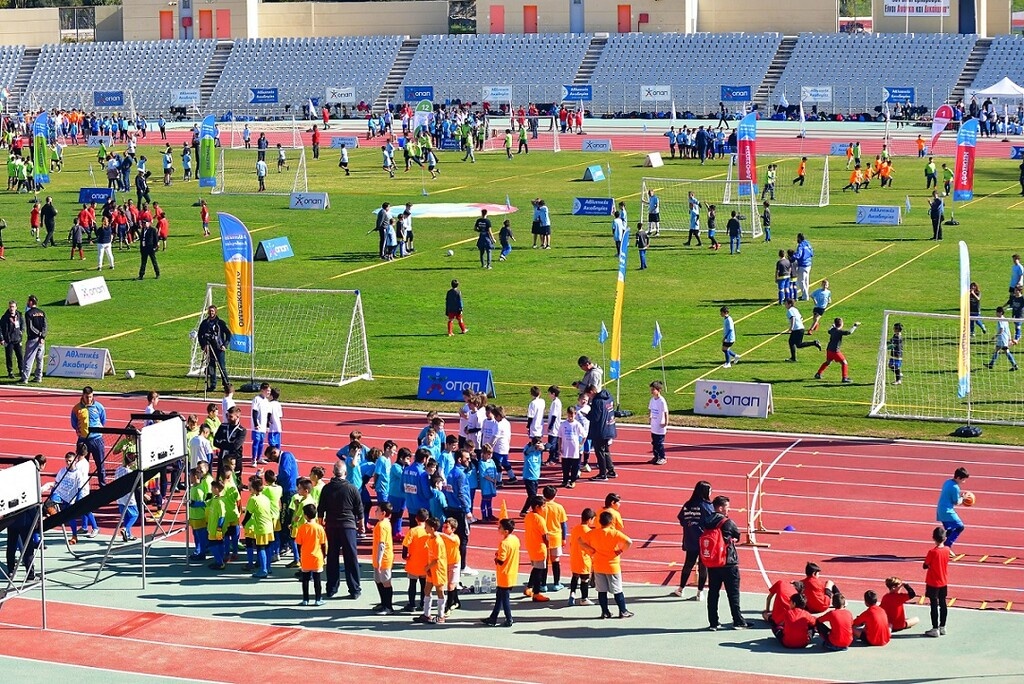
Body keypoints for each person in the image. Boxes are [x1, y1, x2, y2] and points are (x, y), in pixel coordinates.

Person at [318, 460, 364, 599]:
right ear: (345, 472)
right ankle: (354, 589)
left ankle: (331, 588)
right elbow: (359, 509)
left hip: (331, 526)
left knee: (332, 557)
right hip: (348, 526)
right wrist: (361, 525)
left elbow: (321, 509)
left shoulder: (327, 488)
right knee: (351, 558)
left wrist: (321, 524)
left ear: (333, 472)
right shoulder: (352, 488)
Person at [703, 494, 748, 630]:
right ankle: (738, 620)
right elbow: (737, 535)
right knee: (733, 593)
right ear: (721, 508)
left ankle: (713, 622)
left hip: (713, 562)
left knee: (713, 593)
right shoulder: (727, 522)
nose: (729, 509)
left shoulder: (707, 521)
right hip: (728, 562)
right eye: (727, 507)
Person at [578, 510, 634, 619]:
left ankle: (605, 612)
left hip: (598, 565)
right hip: (612, 566)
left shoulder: (593, 533)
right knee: (617, 590)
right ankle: (623, 611)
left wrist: (591, 550)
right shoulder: (614, 533)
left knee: (601, 591)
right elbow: (629, 541)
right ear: (611, 522)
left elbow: (580, 541)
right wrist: (620, 550)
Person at [675, 480, 713, 600]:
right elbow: (712, 521)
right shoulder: (707, 506)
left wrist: (690, 526)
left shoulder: (688, 504)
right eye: (710, 490)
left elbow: (681, 519)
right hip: (704, 541)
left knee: (688, 564)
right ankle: (700, 592)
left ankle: (681, 589)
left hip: (690, 539)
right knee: (703, 566)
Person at [481, 518, 519, 627]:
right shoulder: (515, 539)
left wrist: (496, 557)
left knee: (505, 598)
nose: (498, 529)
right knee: (499, 596)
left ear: (506, 531)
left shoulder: (504, 543)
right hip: (511, 572)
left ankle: (509, 618)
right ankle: (493, 617)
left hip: (504, 574)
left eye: (500, 527)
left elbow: (501, 560)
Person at [71, 386, 108, 486]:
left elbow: (103, 420)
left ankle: (103, 486)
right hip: (83, 440)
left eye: (91, 397)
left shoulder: (99, 407)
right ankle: (81, 486)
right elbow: (74, 424)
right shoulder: (76, 408)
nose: (89, 399)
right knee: (81, 465)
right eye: (87, 397)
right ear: (82, 396)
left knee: (100, 465)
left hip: (97, 440)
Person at [294, 503, 327, 606]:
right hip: (317, 557)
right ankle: (318, 599)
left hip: (305, 557)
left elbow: (298, 544)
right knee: (317, 579)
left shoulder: (302, 528)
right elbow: (323, 544)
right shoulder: (319, 528)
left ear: (305, 515)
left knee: (305, 579)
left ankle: (305, 599)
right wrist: (324, 555)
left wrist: (300, 555)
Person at [923, 526, 953, 637]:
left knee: (934, 605)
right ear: (945, 538)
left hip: (933, 582)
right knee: (943, 604)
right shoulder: (947, 550)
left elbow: (925, 565)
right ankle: (943, 626)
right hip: (943, 581)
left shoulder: (932, 552)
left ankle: (935, 628)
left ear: (933, 538)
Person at [585, 383, 617, 480]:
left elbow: (596, 417)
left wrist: (587, 415)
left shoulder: (597, 401)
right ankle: (611, 470)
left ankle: (602, 474)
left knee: (599, 451)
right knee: (605, 450)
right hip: (609, 427)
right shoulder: (608, 397)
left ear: (591, 392)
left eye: (589, 395)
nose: (589, 397)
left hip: (600, 430)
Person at [197, 305, 231, 392]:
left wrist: (225, 345)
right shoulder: (204, 323)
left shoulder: (220, 323)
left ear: (215, 312)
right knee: (211, 367)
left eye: (212, 311)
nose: (211, 313)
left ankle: (226, 385)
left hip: (219, 348)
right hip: (209, 348)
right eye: (210, 311)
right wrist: (203, 345)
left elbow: (228, 334)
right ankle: (212, 385)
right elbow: (200, 335)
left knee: (222, 367)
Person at [815, 318, 860, 383]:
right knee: (844, 362)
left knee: (828, 362)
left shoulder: (832, 330)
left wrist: (832, 326)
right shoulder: (839, 332)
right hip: (835, 351)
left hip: (829, 349)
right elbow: (849, 332)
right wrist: (855, 326)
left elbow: (829, 331)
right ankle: (845, 378)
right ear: (841, 324)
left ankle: (818, 374)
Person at [937, 466, 969, 548]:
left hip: (940, 510)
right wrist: (963, 498)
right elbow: (956, 502)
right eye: (963, 480)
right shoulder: (955, 487)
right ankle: (947, 545)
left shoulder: (947, 482)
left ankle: (940, 545)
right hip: (947, 511)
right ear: (958, 478)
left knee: (950, 530)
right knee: (960, 527)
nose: (964, 482)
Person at [1, 300, 24, 380]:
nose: (11, 308)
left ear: (16, 307)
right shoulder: (5, 317)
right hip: (9, 340)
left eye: (13, 307)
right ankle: (10, 372)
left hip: (17, 339)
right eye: (10, 307)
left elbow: (22, 324)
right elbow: (0, 329)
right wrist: (2, 339)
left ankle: (21, 370)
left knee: (20, 356)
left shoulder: (19, 315)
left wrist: (21, 332)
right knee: (9, 357)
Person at [648, 381, 668, 465]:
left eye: (653, 389)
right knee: (654, 443)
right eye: (651, 389)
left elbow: (666, 412)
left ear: (659, 390)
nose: (652, 391)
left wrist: (666, 422)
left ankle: (662, 457)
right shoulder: (652, 400)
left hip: (660, 426)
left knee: (659, 443)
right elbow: (650, 409)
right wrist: (650, 417)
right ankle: (656, 456)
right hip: (654, 425)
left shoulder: (662, 401)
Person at [793, 233, 813, 300]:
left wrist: (792, 257)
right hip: (809, 264)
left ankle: (805, 296)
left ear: (799, 238)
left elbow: (799, 255)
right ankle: (806, 294)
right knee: (806, 280)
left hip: (802, 265)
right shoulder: (808, 243)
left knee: (801, 281)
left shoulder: (800, 245)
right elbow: (812, 253)